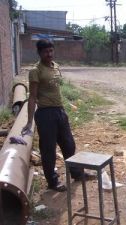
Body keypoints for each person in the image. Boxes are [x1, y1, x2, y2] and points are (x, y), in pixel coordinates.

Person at [22, 39, 84, 192]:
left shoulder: (56, 66)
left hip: (59, 111)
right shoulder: (35, 71)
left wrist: (63, 109)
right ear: (39, 53)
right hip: (45, 114)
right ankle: (52, 182)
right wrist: (29, 122)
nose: (49, 54)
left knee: (69, 144)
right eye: (45, 52)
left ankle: (76, 173)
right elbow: (32, 97)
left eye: (51, 51)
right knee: (48, 149)